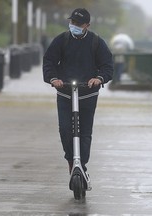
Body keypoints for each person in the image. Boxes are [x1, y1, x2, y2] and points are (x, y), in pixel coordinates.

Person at [43, 8, 113, 175]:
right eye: (72, 22)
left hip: (88, 93)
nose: (74, 25)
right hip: (65, 93)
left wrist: (99, 78)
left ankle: (82, 164)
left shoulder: (97, 42)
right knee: (66, 130)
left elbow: (107, 66)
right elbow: (49, 61)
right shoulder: (62, 40)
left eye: (78, 24)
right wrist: (53, 79)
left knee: (85, 132)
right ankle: (71, 160)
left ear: (87, 25)